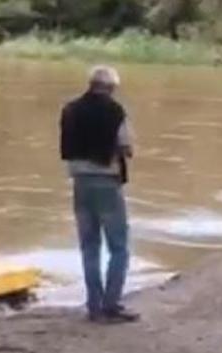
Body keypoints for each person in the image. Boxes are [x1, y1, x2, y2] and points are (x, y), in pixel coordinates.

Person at [60, 65, 139, 323]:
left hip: (79, 182)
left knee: (89, 246)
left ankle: (94, 306)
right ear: (111, 87)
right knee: (119, 247)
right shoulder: (116, 112)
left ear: (90, 84)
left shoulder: (70, 109)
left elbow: (66, 147)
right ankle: (111, 304)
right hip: (107, 182)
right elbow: (127, 147)